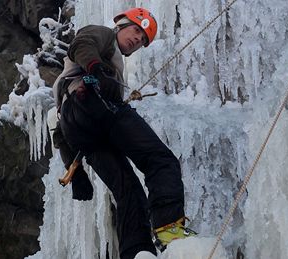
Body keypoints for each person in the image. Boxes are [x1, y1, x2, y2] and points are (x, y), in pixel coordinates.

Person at [51, 7, 195, 259]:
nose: (137, 39)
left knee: (128, 191)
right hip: (95, 106)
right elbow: (82, 43)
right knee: (160, 160)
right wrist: (96, 69)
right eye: (136, 30)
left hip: (82, 130)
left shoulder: (77, 81)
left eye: (142, 40)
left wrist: (76, 173)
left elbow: (61, 126)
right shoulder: (104, 36)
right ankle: (169, 229)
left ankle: (137, 253)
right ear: (121, 24)